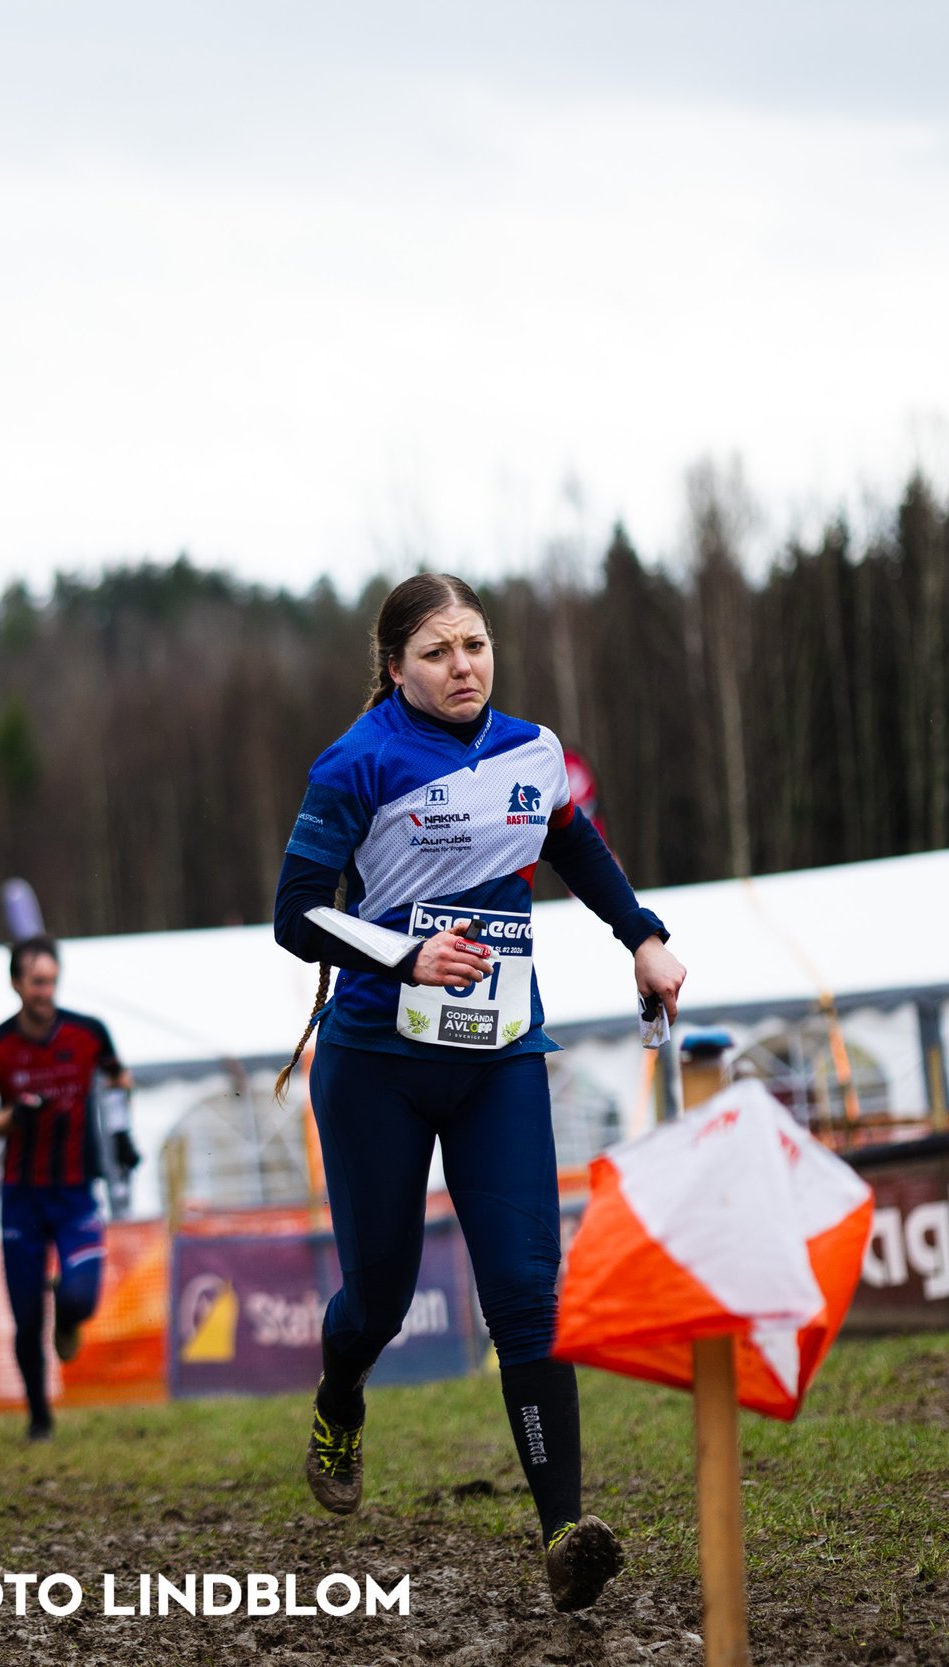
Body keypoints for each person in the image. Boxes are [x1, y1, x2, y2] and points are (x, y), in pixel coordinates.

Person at [271, 572, 685, 1614]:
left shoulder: (531, 750)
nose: (463, 666)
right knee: (379, 1292)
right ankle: (339, 1394)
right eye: (438, 652)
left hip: (499, 1054)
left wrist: (641, 934)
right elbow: (294, 916)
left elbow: (573, 844)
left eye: (475, 644)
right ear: (396, 667)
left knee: (526, 1294)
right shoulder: (355, 762)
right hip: (375, 1065)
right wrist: (404, 957)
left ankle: (562, 1533)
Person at [0, 936, 140, 1441]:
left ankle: (69, 1312)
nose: (45, 991)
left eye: (52, 981)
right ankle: (39, 1416)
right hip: (21, 1196)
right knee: (24, 1318)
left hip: (75, 1191)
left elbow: (118, 1080)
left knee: (82, 1296)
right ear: (17, 984)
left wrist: (123, 1136)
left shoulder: (88, 1033)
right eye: (36, 982)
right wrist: (13, 1116)